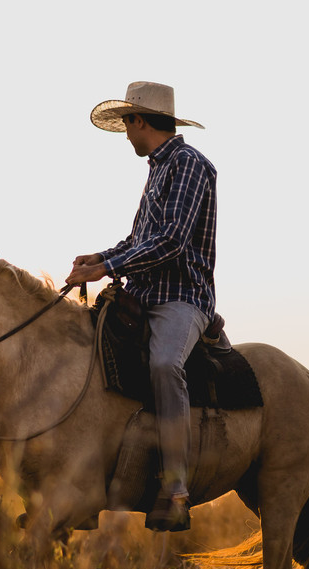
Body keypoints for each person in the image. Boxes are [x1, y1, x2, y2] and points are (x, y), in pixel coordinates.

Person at [67, 81, 218, 532]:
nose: (126, 136)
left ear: (139, 120)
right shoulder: (156, 169)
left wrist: (108, 267)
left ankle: (175, 489)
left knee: (165, 366)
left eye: (127, 125)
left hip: (181, 298)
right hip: (143, 295)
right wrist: (101, 256)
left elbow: (171, 241)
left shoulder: (191, 165)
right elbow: (141, 240)